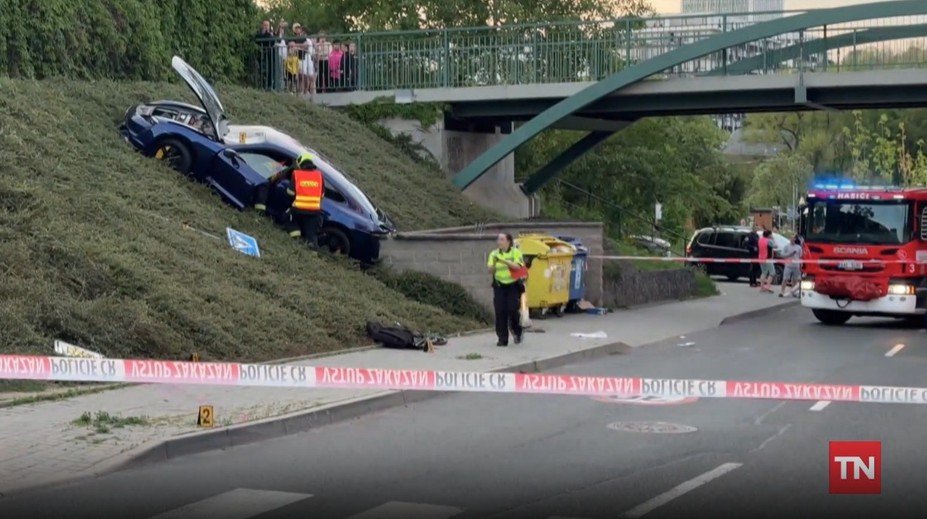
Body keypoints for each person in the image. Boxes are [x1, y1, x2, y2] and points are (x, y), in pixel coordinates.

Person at [254, 153, 325, 248]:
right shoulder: (319, 176)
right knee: (311, 234)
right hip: (314, 211)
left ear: (300, 163)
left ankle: (295, 237)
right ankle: (313, 252)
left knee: (287, 218)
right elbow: (322, 195)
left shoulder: (297, 174)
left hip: (298, 208)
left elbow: (290, 193)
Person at [487, 233, 525, 347]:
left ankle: (517, 330)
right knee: (500, 311)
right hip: (499, 285)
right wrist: (494, 263)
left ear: (508, 241)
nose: (499, 241)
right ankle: (502, 339)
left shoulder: (515, 253)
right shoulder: (494, 254)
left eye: (502, 239)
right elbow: (490, 270)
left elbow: (518, 267)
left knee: (512, 309)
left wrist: (503, 261)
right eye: (498, 239)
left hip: (513, 285)